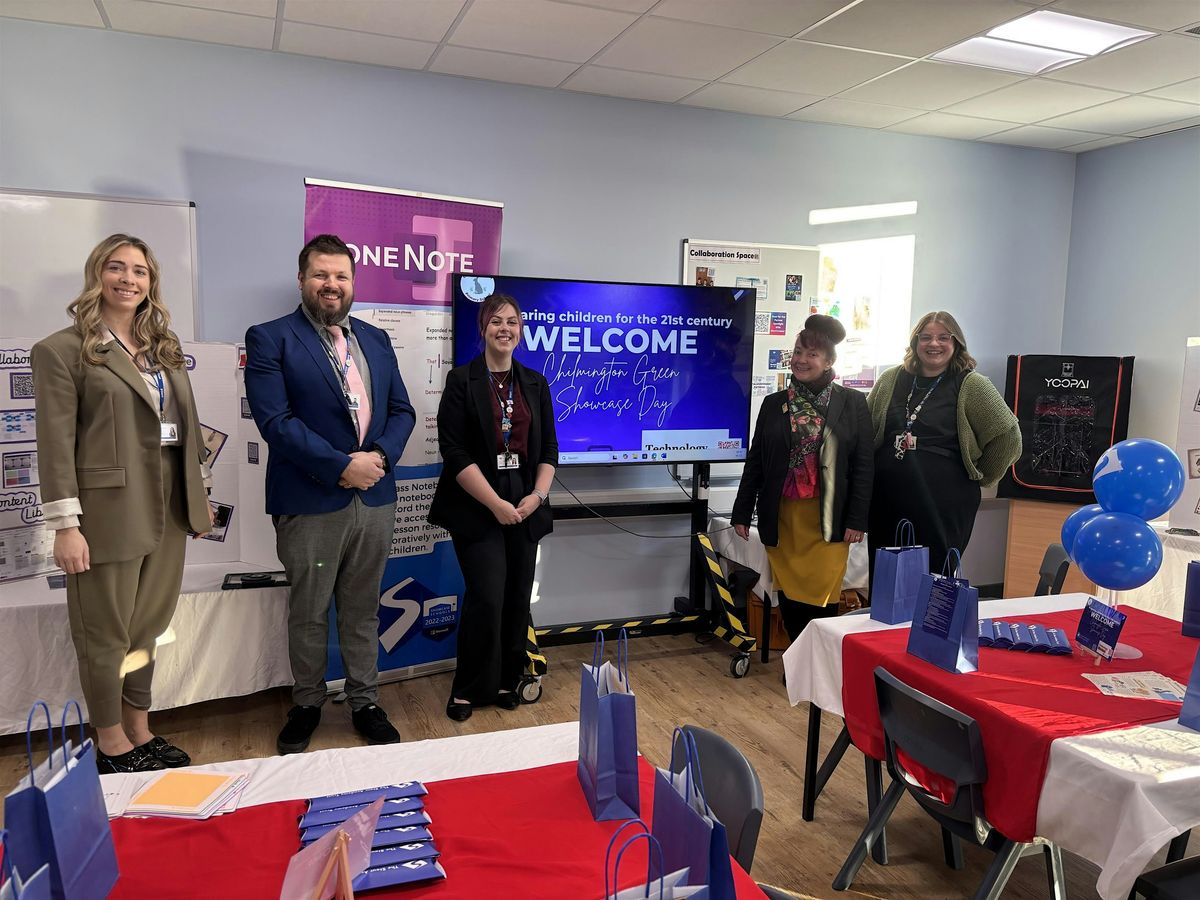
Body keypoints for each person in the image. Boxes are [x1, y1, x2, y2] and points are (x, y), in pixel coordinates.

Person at [32, 234, 214, 774]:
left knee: (148, 626)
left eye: (140, 270)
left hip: (169, 506)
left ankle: (139, 727)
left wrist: (198, 495)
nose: (128, 279)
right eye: (117, 267)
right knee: (105, 630)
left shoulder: (164, 347)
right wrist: (66, 526)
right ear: (97, 274)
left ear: (151, 282)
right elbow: (56, 445)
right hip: (107, 513)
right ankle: (110, 741)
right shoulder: (62, 350)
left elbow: (185, 427)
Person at [244, 234, 416, 754]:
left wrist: (378, 458)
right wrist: (342, 466)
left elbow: (402, 410)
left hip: (375, 498)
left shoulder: (376, 339)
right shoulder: (270, 338)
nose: (331, 284)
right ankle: (306, 703)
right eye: (321, 274)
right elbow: (275, 421)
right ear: (302, 279)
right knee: (309, 611)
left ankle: (365, 701)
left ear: (353, 283)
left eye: (341, 276)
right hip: (311, 499)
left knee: (363, 610)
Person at [428, 293, 557, 721]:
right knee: (487, 595)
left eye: (512, 322)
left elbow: (549, 450)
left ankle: (506, 679)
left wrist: (536, 497)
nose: (505, 328)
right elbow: (454, 452)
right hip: (477, 503)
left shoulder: (535, 383)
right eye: (496, 321)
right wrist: (496, 503)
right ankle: (468, 688)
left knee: (517, 597)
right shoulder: (461, 381)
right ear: (483, 328)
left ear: (521, 330)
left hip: (525, 501)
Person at [731, 315, 873, 641]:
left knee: (822, 601)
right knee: (791, 600)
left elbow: (864, 465)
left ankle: (813, 659)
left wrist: (858, 519)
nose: (801, 360)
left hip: (828, 519)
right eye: (798, 352)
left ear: (829, 361)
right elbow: (756, 461)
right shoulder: (774, 404)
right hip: (784, 518)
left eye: (812, 354)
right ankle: (799, 658)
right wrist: (742, 511)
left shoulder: (852, 402)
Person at [866, 311, 1021, 581]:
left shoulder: (972, 384)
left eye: (943, 337)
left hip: (943, 504)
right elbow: (864, 431)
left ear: (956, 343)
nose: (933, 344)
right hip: (886, 501)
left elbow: (1008, 437)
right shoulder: (891, 379)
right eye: (925, 337)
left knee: (933, 580)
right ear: (915, 342)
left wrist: (982, 475)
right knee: (885, 580)